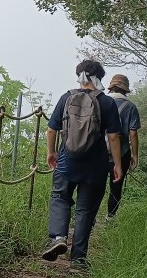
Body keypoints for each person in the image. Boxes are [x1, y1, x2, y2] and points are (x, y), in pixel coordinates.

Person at [41, 60, 124, 269]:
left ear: (80, 76)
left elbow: (51, 130)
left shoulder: (66, 98)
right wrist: (117, 164)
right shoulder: (107, 103)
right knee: (86, 210)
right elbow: (114, 137)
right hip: (95, 166)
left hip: (67, 160)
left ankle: (58, 237)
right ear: (99, 78)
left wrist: (51, 152)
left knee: (60, 197)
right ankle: (78, 259)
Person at [106, 74, 141, 218]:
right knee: (116, 187)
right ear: (125, 90)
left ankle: (89, 219)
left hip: (99, 152)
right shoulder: (131, 107)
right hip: (122, 153)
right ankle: (111, 217)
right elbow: (133, 133)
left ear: (111, 87)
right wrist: (135, 154)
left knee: (95, 186)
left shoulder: (101, 102)